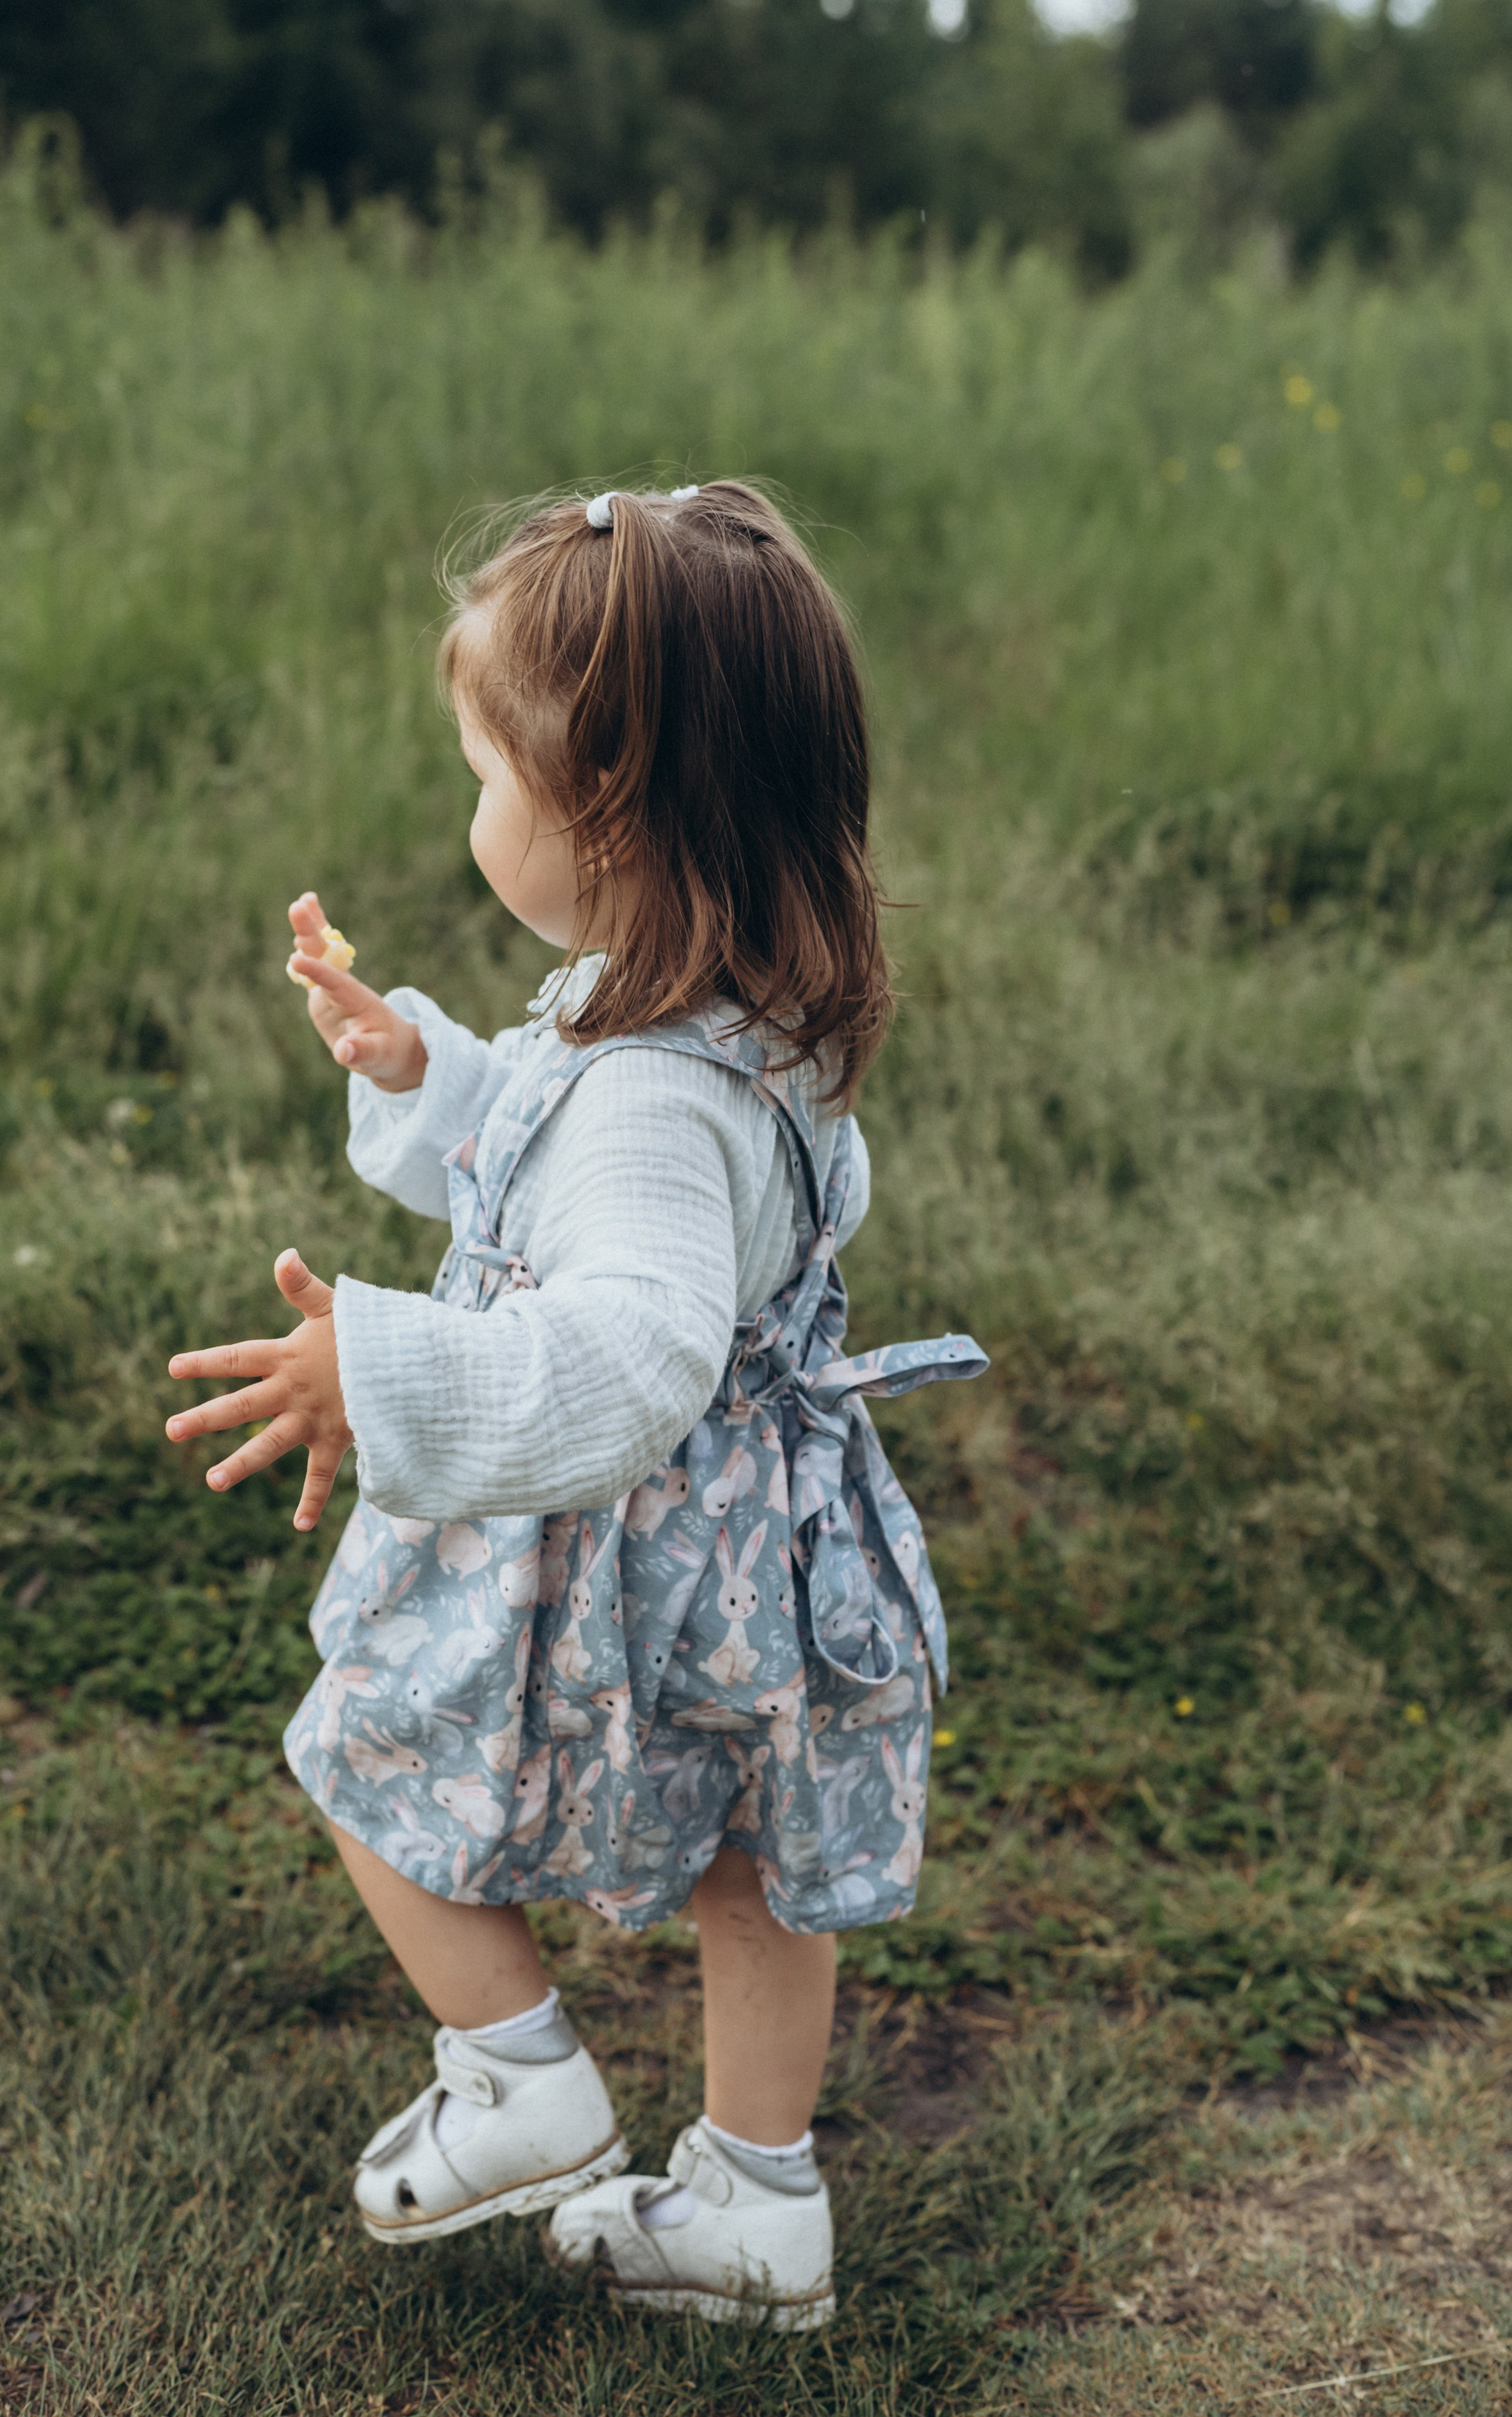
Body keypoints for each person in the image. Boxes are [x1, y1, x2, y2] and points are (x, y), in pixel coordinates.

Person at [164, 481, 986, 2329]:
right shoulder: (741, 1012)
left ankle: (516, 2073)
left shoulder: (646, 1095)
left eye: (482, 774)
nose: (469, 812)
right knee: (752, 1862)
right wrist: (436, 1078)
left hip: (632, 1547)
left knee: (369, 1743)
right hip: (766, 1549)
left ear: (602, 809)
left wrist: (373, 1366)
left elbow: (623, 1350)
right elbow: (611, 1202)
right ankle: (758, 2203)